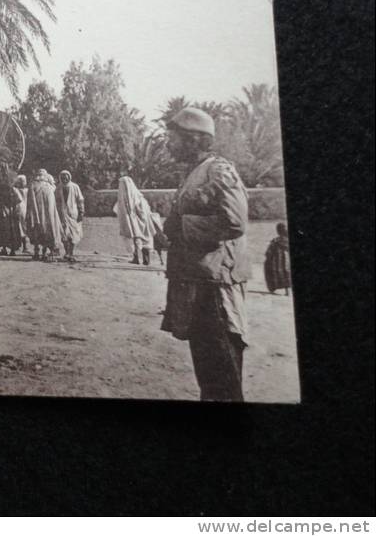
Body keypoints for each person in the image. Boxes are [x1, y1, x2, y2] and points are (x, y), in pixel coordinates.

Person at [160, 107, 250, 402]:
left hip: (215, 289)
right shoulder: (194, 173)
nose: (168, 144)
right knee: (211, 380)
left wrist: (184, 227)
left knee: (222, 380)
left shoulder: (218, 170)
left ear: (194, 139)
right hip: (198, 284)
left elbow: (234, 222)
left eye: (172, 137)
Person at [115, 175, 155, 266]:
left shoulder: (136, 199)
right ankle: (140, 258)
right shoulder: (135, 198)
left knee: (140, 238)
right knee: (140, 238)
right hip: (141, 221)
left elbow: (142, 211)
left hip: (142, 221)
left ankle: (142, 259)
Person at [26, 169, 61, 261]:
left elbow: (30, 202)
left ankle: (37, 252)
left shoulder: (33, 185)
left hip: (37, 214)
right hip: (47, 217)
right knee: (45, 232)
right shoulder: (50, 187)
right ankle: (43, 253)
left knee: (37, 232)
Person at [55, 170, 85, 263]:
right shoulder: (58, 188)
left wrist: (81, 212)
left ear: (69, 177)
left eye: (66, 176)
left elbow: (80, 200)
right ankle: (67, 253)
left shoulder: (75, 187)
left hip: (73, 214)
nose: (65, 178)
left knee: (73, 234)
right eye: (63, 176)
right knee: (64, 234)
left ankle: (71, 253)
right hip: (62, 214)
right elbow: (56, 201)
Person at [264, 222, 292, 295]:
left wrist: (268, 257)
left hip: (277, 263)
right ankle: (287, 291)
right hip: (287, 263)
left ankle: (272, 288)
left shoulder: (276, 241)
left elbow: (268, 252)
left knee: (268, 266)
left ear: (278, 231)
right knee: (287, 272)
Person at [13, 174, 29, 253]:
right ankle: (23, 246)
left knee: (21, 227)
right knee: (22, 227)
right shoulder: (26, 190)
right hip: (23, 209)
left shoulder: (15, 190)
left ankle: (22, 246)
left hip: (20, 209)